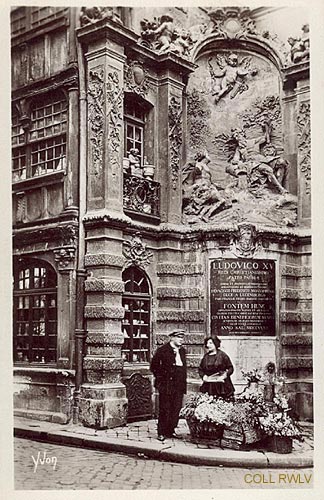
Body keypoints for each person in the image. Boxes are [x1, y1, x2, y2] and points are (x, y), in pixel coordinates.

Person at [150, 329, 187, 441]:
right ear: (172, 338)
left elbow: (183, 368)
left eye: (182, 337)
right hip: (166, 385)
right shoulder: (163, 350)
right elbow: (154, 367)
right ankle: (161, 432)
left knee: (176, 409)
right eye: (179, 337)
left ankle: (171, 430)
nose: (181, 340)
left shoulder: (182, 351)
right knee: (165, 408)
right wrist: (161, 379)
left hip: (178, 385)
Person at [198, 336, 235, 400]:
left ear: (215, 343)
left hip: (222, 385)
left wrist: (224, 376)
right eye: (207, 343)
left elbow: (230, 368)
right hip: (209, 385)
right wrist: (204, 376)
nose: (208, 345)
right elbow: (200, 369)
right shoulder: (205, 357)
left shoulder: (223, 355)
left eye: (210, 343)